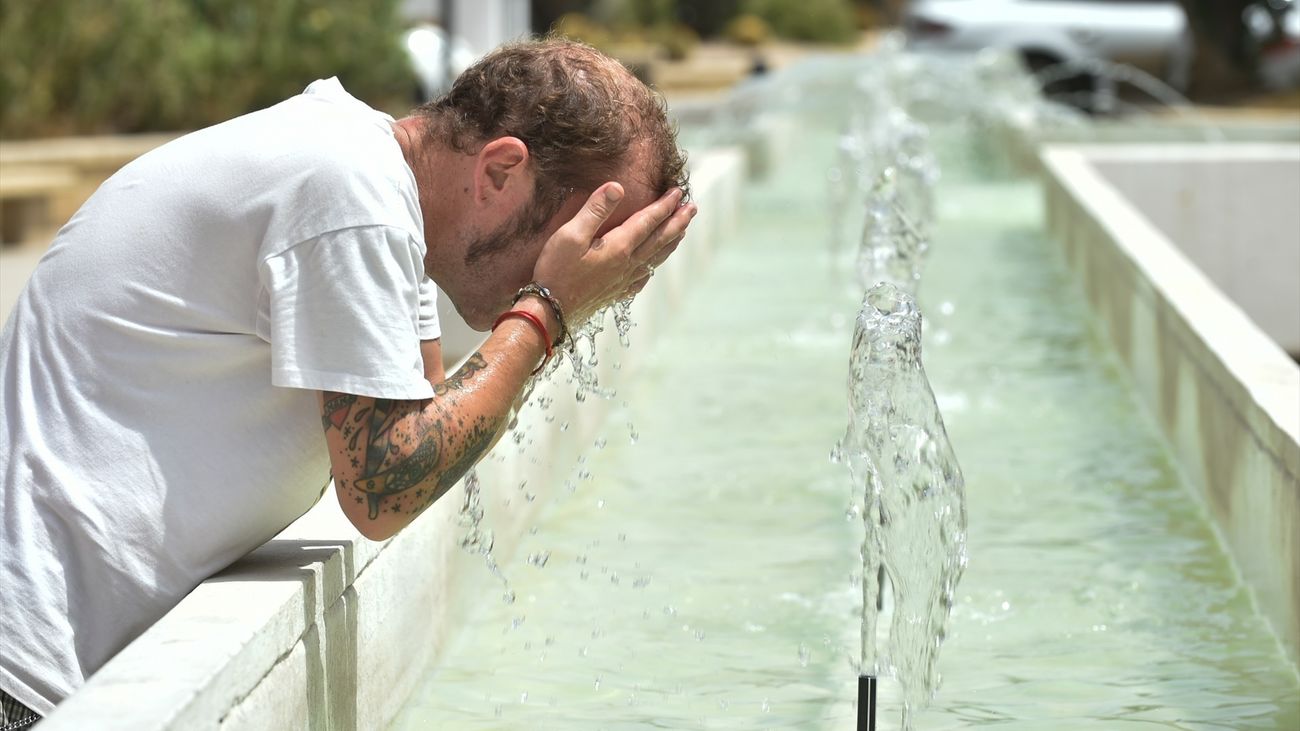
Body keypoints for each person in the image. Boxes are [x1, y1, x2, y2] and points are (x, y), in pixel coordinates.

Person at [0, 38, 694, 725]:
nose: (593, 266)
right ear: (501, 171)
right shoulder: (349, 193)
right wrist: (548, 308)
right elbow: (386, 484)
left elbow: (433, 421)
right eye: (590, 236)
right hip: (25, 681)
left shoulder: (374, 181)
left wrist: (545, 309)